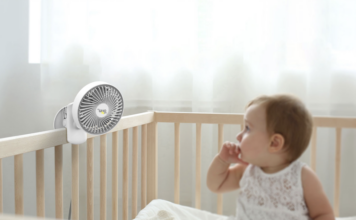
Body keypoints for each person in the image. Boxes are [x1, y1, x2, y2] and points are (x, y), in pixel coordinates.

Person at [207, 94, 334, 220]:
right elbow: (215, 185)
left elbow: (323, 214)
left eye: (247, 128)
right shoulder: (246, 170)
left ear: (274, 143)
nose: (238, 136)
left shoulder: (302, 176)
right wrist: (222, 160)